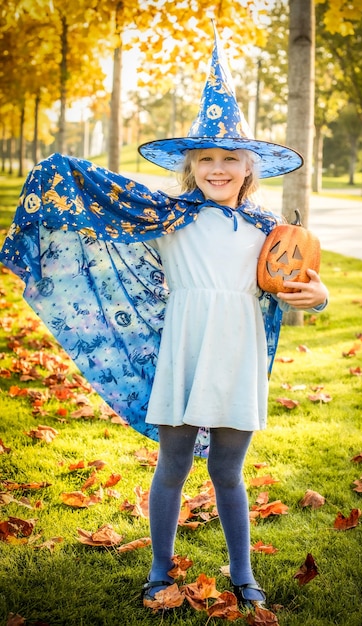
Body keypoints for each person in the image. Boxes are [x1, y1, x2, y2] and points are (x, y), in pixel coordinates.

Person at [0, 29, 328, 610]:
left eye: (230, 159)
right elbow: (105, 217)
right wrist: (57, 181)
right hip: (183, 349)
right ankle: (158, 569)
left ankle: (243, 574)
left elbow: (293, 284)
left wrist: (318, 297)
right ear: (191, 165)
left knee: (229, 468)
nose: (218, 169)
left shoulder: (268, 229)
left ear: (249, 168)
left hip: (238, 353)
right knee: (173, 461)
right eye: (207, 158)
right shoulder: (166, 219)